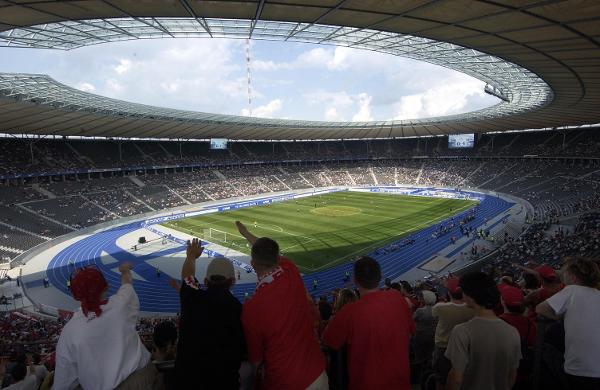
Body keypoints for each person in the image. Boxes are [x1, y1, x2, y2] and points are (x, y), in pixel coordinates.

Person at [236, 221, 327, 390]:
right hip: (318, 374)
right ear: (278, 258)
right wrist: (247, 234)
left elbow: (256, 360)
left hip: (285, 381)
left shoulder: (252, 308)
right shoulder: (290, 268)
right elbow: (268, 251)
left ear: (253, 264)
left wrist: (246, 234)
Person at [54, 264, 161, 390]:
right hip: (143, 379)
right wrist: (124, 270)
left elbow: (64, 381)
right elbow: (127, 284)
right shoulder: (121, 304)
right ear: (106, 286)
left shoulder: (70, 332)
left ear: (76, 295)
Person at [322, 256, 415, 390]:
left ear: (355, 281)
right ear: (380, 276)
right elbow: (411, 331)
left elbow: (328, 341)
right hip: (401, 383)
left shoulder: (348, 312)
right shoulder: (398, 298)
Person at [175, 239, 246, 390]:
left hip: (187, 383)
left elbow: (187, 276)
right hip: (224, 383)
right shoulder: (239, 310)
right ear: (232, 281)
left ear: (206, 281)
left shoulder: (193, 298)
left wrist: (191, 256)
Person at [445, 272, 521, 390]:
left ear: (470, 296)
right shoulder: (512, 331)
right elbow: (512, 375)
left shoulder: (461, 331)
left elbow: (456, 378)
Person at [536, 257, 600, 390]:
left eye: (564, 273)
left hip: (581, 371)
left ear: (574, 278)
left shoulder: (572, 290)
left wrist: (562, 316)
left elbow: (541, 308)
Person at [431, 277, 474, 390]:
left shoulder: (440, 307)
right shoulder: (473, 308)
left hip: (443, 348)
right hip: (465, 347)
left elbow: (433, 317)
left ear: (449, 292)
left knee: (441, 379)